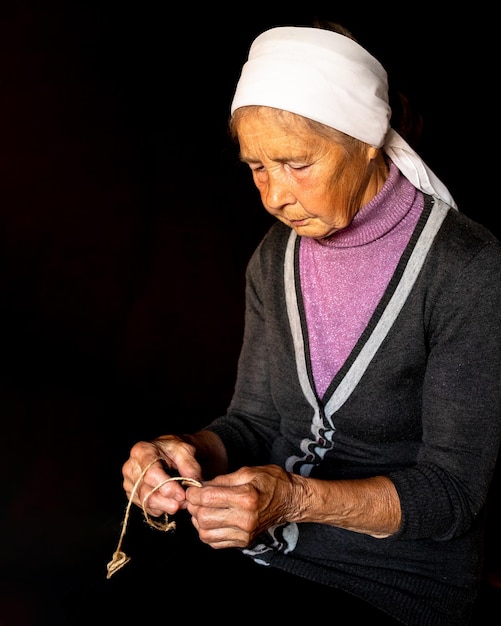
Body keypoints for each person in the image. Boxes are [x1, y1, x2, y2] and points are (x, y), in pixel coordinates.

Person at [118, 20, 501, 625]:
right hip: (265, 557)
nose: (273, 196)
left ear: (368, 139)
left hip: (392, 583)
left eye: (296, 163)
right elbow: (253, 422)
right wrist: (184, 454)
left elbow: (453, 493)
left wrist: (293, 499)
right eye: (257, 167)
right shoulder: (274, 257)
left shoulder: (465, 268)